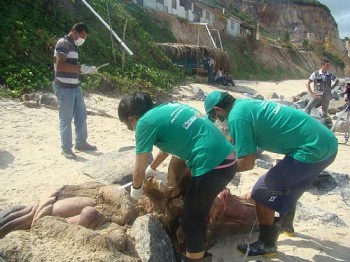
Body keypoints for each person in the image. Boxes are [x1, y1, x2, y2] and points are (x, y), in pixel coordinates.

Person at [204, 91, 338, 257]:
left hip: (312, 150)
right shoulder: (244, 105)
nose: (218, 120)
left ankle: (267, 244)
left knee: (261, 190)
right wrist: (222, 149)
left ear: (218, 110)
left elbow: (247, 163)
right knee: (287, 181)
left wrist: (215, 169)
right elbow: (235, 138)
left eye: (214, 116)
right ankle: (286, 226)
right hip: (327, 143)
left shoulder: (237, 117)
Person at [118, 93, 237, 262]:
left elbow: (137, 172)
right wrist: (153, 168)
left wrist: (136, 191)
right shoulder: (168, 107)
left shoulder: (144, 122)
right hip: (228, 159)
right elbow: (168, 146)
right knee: (197, 210)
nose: (133, 130)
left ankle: (194, 258)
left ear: (132, 119)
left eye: (129, 127)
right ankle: (198, 251)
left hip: (213, 166)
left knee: (190, 221)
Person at [53, 22, 97, 159]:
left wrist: (85, 70)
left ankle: (81, 142)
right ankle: (66, 149)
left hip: (75, 86)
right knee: (66, 119)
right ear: (75, 32)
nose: (82, 40)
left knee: (81, 115)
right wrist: (80, 68)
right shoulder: (63, 43)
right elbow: (60, 66)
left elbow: (71, 66)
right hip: (64, 87)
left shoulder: (73, 45)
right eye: (82, 37)